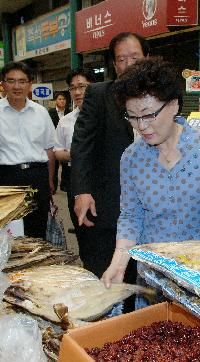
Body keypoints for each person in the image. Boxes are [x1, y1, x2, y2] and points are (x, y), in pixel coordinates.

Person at [101, 58, 200, 291]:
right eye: (133, 117)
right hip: (154, 275)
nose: (141, 126)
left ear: (174, 105)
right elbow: (131, 216)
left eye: (148, 115)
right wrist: (118, 263)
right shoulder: (131, 158)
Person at [70, 32, 149, 282]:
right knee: (105, 275)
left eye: (134, 57)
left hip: (149, 207)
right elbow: (82, 143)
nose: (128, 65)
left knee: (142, 280)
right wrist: (81, 190)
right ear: (115, 65)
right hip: (108, 204)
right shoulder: (99, 94)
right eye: (122, 59)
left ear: (147, 58)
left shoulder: (162, 95)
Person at [0, 61, 56, 239]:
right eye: (11, 81)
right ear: (3, 84)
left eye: (22, 81)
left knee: (37, 231)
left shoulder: (41, 112)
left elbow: (49, 151)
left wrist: (49, 182)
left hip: (37, 177)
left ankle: (36, 266)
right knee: (9, 232)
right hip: (7, 178)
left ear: (29, 84)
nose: (17, 86)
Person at [54, 68, 94, 238]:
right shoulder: (65, 122)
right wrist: (76, 154)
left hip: (101, 176)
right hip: (75, 176)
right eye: (73, 88)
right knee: (81, 227)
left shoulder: (107, 116)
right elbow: (57, 151)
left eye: (82, 86)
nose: (77, 92)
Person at [49, 92, 69, 192]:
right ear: (56, 101)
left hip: (65, 143)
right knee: (55, 165)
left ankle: (64, 185)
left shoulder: (70, 112)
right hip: (53, 143)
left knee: (66, 165)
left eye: (64, 99)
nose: (62, 101)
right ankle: (53, 186)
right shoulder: (50, 112)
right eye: (60, 99)